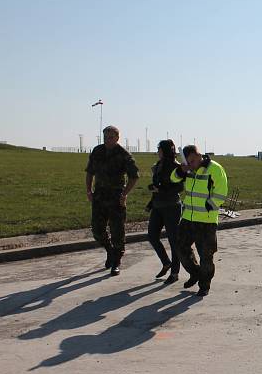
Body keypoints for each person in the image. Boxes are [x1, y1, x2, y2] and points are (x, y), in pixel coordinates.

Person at [170, 145, 228, 296]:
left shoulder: (215, 169)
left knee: (206, 255)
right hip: (188, 217)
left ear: (199, 155)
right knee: (180, 248)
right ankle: (195, 273)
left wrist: (209, 207)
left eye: (193, 161)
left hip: (206, 220)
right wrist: (181, 170)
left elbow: (221, 193)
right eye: (188, 162)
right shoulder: (188, 169)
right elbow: (173, 178)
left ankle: (204, 285)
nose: (192, 165)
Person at [85, 125, 139, 276]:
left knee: (117, 231)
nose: (107, 140)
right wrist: (89, 190)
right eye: (105, 137)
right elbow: (90, 172)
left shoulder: (124, 154)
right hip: (100, 196)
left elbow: (134, 176)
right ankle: (110, 251)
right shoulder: (97, 151)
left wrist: (124, 194)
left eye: (110, 137)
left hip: (116, 197)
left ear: (117, 138)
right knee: (97, 230)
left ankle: (116, 261)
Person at [146, 139, 183, 284]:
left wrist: (162, 190)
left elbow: (180, 188)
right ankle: (166, 262)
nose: (157, 152)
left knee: (173, 240)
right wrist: (151, 203)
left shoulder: (176, 166)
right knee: (152, 236)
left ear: (165, 150)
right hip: (157, 206)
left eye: (159, 149)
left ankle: (175, 272)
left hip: (172, 206)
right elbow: (157, 185)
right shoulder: (158, 165)